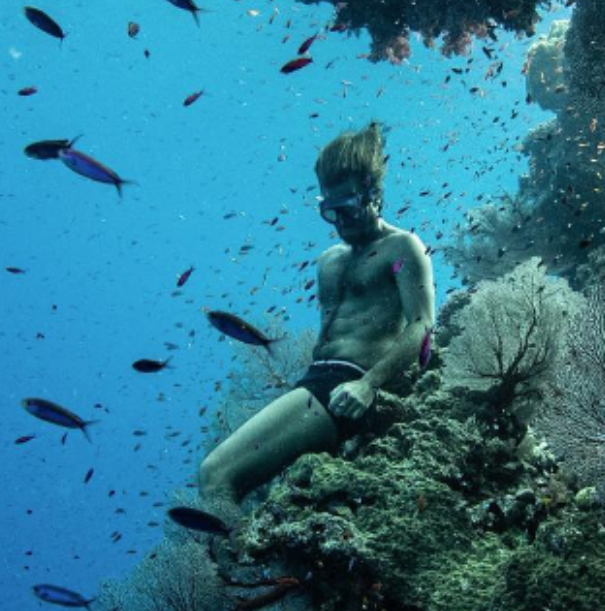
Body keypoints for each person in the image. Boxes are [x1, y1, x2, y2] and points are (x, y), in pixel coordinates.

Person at [175, 123, 436, 532]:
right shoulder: (327, 261)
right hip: (317, 384)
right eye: (330, 211)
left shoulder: (402, 249)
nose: (340, 221)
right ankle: (243, 570)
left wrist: (369, 385)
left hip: (352, 388)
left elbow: (422, 325)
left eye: (348, 207)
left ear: (373, 194)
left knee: (216, 474)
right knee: (221, 479)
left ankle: (237, 571)